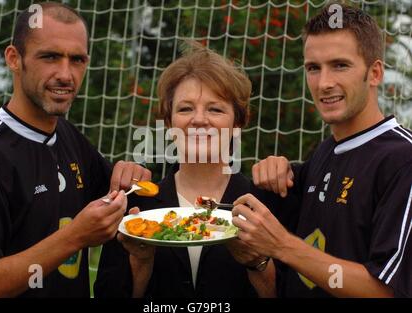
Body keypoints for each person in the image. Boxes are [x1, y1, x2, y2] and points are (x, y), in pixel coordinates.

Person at [0, 2, 151, 297]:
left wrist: (131, 176)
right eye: (50, 57)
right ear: (14, 58)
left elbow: (121, 201)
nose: (66, 74)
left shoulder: (69, 138)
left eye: (77, 60)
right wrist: (74, 237)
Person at [234, 4, 412, 297]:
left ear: (375, 73)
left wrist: (282, 245)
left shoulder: (402, 161)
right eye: (313, 68)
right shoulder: (323, 154)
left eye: (340, 65)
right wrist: (276, 170)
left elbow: (386, 291)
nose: (324, 83)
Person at [94, 43, 295, 298]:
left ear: (239, 121)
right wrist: (142, 262)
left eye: (215, 109)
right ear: (169, 121)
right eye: (186, 108)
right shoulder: (136, 208)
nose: (199, 120)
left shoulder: (266, 204)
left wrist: (258, 263)